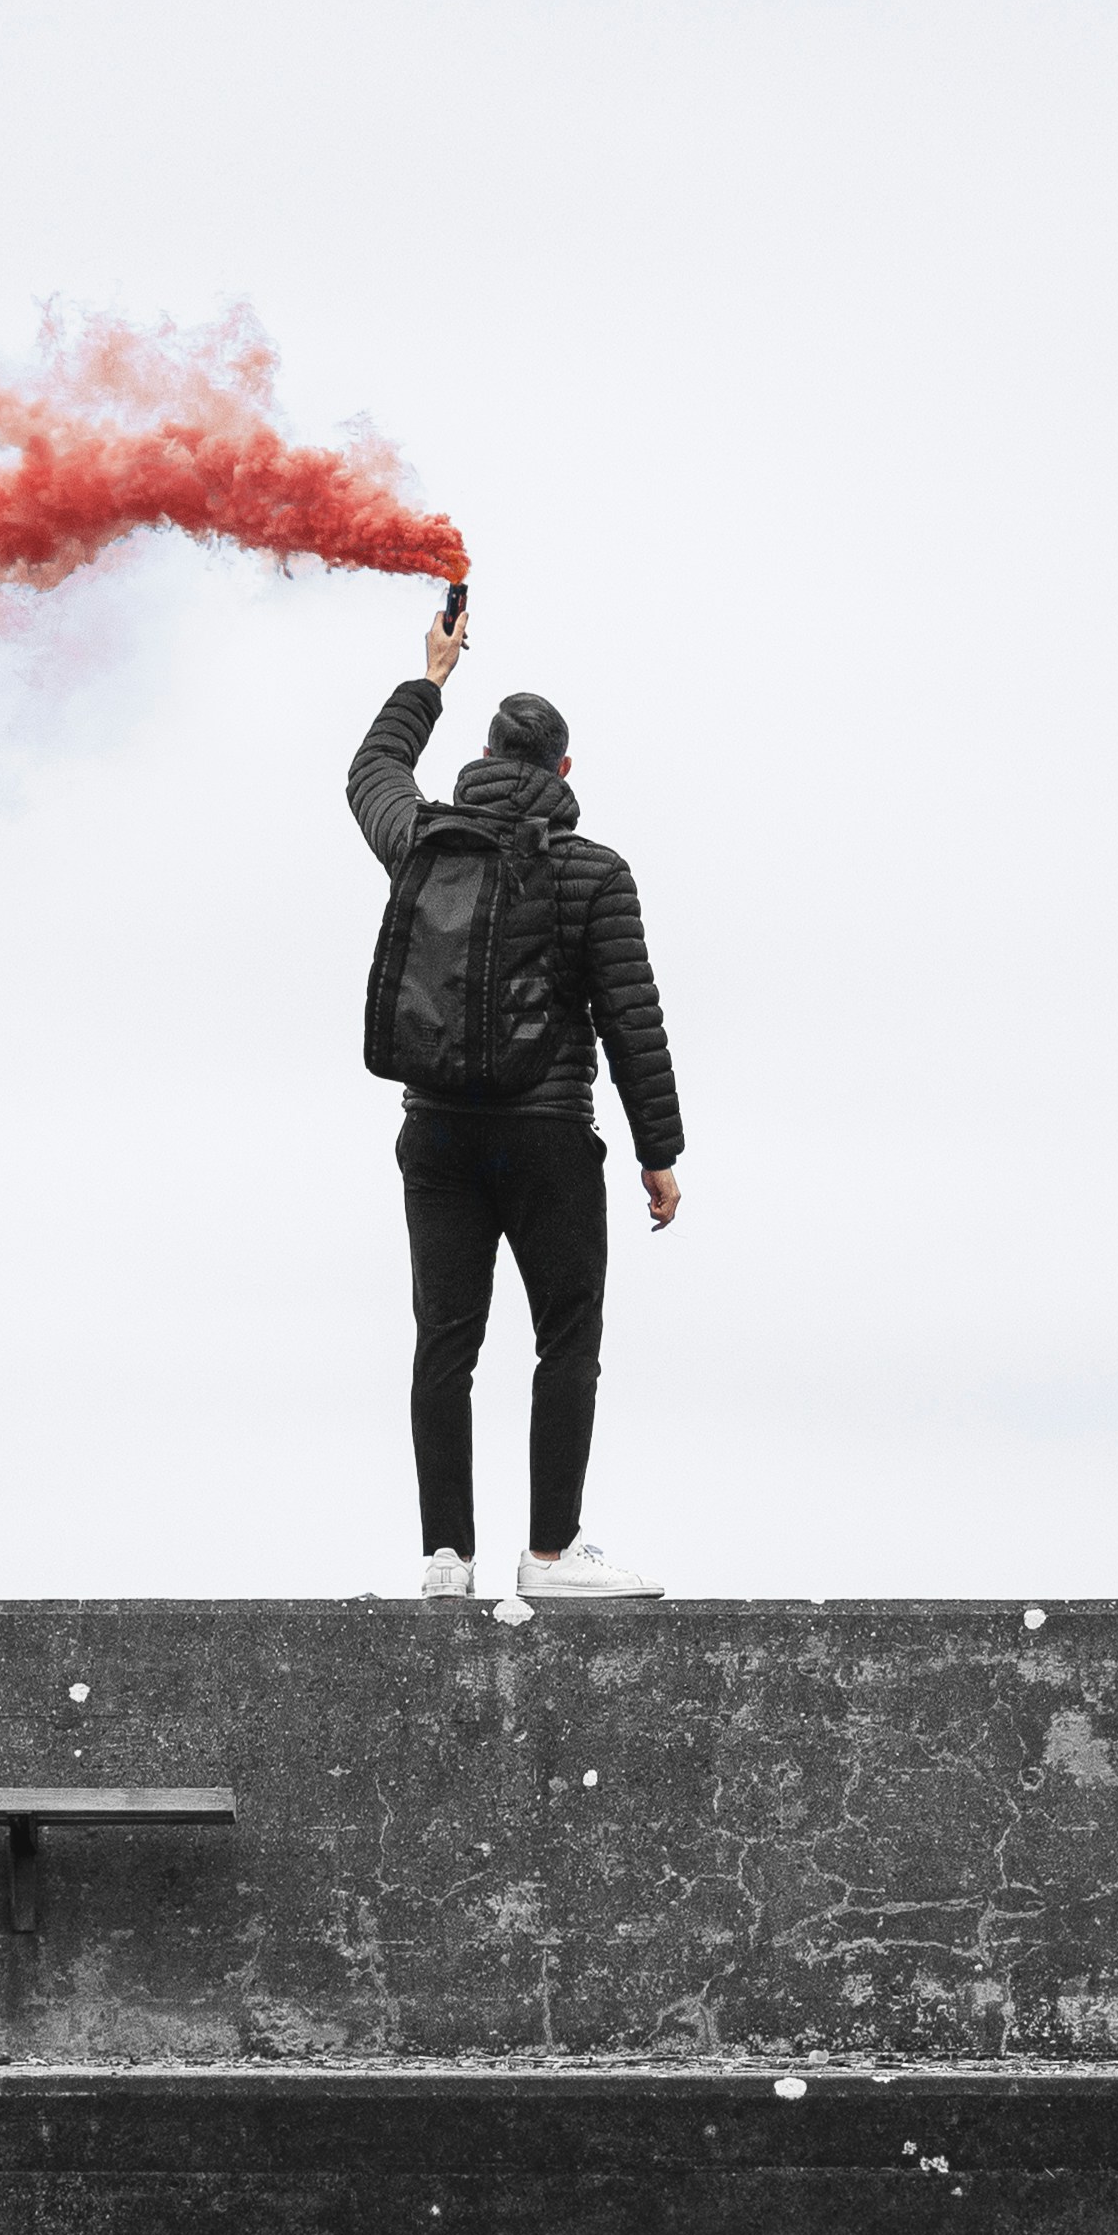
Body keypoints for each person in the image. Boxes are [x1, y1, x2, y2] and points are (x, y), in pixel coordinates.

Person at [347, 604, 684, 1602]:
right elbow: (631, 1019)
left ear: (486, 755)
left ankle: (445, 1560)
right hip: (546, 1135)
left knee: (444, 1339)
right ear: (563, 775)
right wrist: (656, 1151)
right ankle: (548, 1557)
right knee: (563, 1336)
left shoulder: (422, 840)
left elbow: (370, 771)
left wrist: (429, 679)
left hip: (436, 1132)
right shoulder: (591, 871)